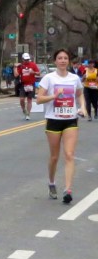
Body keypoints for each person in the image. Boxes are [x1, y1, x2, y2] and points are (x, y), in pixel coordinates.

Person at [36, 48, 85, 203]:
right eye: (60, 58)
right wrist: (54, 96)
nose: (63, 60)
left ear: (68, 61)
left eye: (65, 58)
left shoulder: (74, 78)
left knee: (69, 155)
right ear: (55, 61)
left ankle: (67, 189)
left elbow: (80, 94)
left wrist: (82, 107)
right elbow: (39, 99)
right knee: (54, 157)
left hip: (70, 119)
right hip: (53, 120)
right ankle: (51, 182)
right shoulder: (49, 79)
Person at [15, 52, 40, 120]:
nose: (26, 61)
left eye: (28, 59)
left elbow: (38, 73)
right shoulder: (21, 66)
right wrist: (15, 67)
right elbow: (16, 75)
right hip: (23, 84)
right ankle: (24, 109)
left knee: (29, 100)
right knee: (22, 99)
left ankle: (28, 114)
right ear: (22, 59)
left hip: (31, 84)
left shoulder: (33, 65)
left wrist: (33, 72)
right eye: (25, 59)